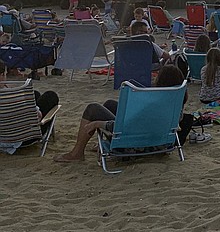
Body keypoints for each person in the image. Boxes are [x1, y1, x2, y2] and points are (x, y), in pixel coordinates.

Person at [54, 65, 190, 162]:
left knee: (93, 109)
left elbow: (129, 127)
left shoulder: (152, 103)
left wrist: (98, 124)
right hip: (160, 142)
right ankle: (99, 143)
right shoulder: (175, 103)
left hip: (136, 145)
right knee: (109, 104)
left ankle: (77, 153)